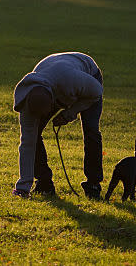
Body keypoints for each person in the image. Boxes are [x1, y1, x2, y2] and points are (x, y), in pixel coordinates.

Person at [12, 52, 104, 199]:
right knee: (33, 136)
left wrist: (69, 114)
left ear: (53, 102)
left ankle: (93, 184)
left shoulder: (71, 81)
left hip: (87, 75)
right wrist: (23, 187)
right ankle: (44, 183)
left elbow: (96, 92)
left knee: (91, 131)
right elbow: (27, 144)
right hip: (55, 74)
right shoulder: (27, 103)